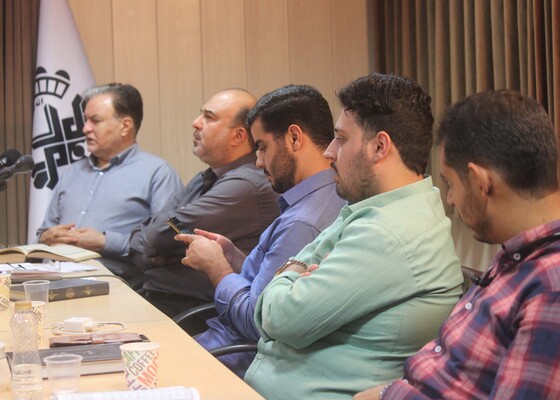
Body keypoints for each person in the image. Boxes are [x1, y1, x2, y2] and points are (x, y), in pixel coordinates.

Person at [355, 90, 560, 400]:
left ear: (480, 182)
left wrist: (386, 395)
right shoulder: (524, 252)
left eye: (450, 183)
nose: (449, 199)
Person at [243, 73, 463, 399]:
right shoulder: (372, 208)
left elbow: (278, 317)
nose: (329, 152)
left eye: (341, 139)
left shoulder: (389, 232)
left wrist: (290, 272)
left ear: (379, 147)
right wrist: (295, 274)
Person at [174, 85, 346, 377]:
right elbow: (270, 288)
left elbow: (258, 322)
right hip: (222, 347)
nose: (257, 161)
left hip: (232, 358)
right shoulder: (318, 199)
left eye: (263, 147)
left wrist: (217, 268)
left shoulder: (303, 222)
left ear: (294, 138)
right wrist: (235, 260)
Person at [128, 88, 281, 317]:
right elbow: (155, 228)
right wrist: (158, 250)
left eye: (208, 117)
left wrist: (158, 247)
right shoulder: (206, 176)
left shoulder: (245, 185)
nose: (196, 123)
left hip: (195, 312)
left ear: (238, 136)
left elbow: (157, 235)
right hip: (161, 299)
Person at [37, 83, 183, 287]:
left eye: (95, 121)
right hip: (50, 282)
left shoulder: (158, 173)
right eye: (86, 120)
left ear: (125, 126)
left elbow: (167, 244)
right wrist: (45, 237)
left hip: (117, 288)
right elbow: (43, 232)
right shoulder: (71, 173)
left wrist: (106, 243)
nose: (85, 128)